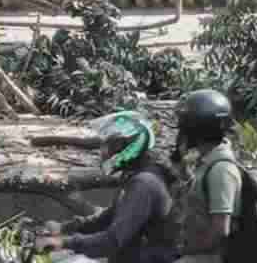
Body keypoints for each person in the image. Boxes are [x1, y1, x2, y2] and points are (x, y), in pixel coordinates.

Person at [34, 111, 180, 263]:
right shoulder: (137, 174)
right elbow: (110, 216)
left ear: (126, 148)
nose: (103, 152)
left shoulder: (143, 184)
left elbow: (112, 241)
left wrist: (64, 242)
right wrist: (64, 228)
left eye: (108, 147)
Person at [171, 89, 241, 263]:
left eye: (185, 127)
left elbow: (220, 230)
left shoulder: (221, 169)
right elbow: (197, 196)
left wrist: (186, 252)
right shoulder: (208, 161)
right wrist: (180, 163)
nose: (181, 133)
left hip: (211, 256)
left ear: (196, 129)